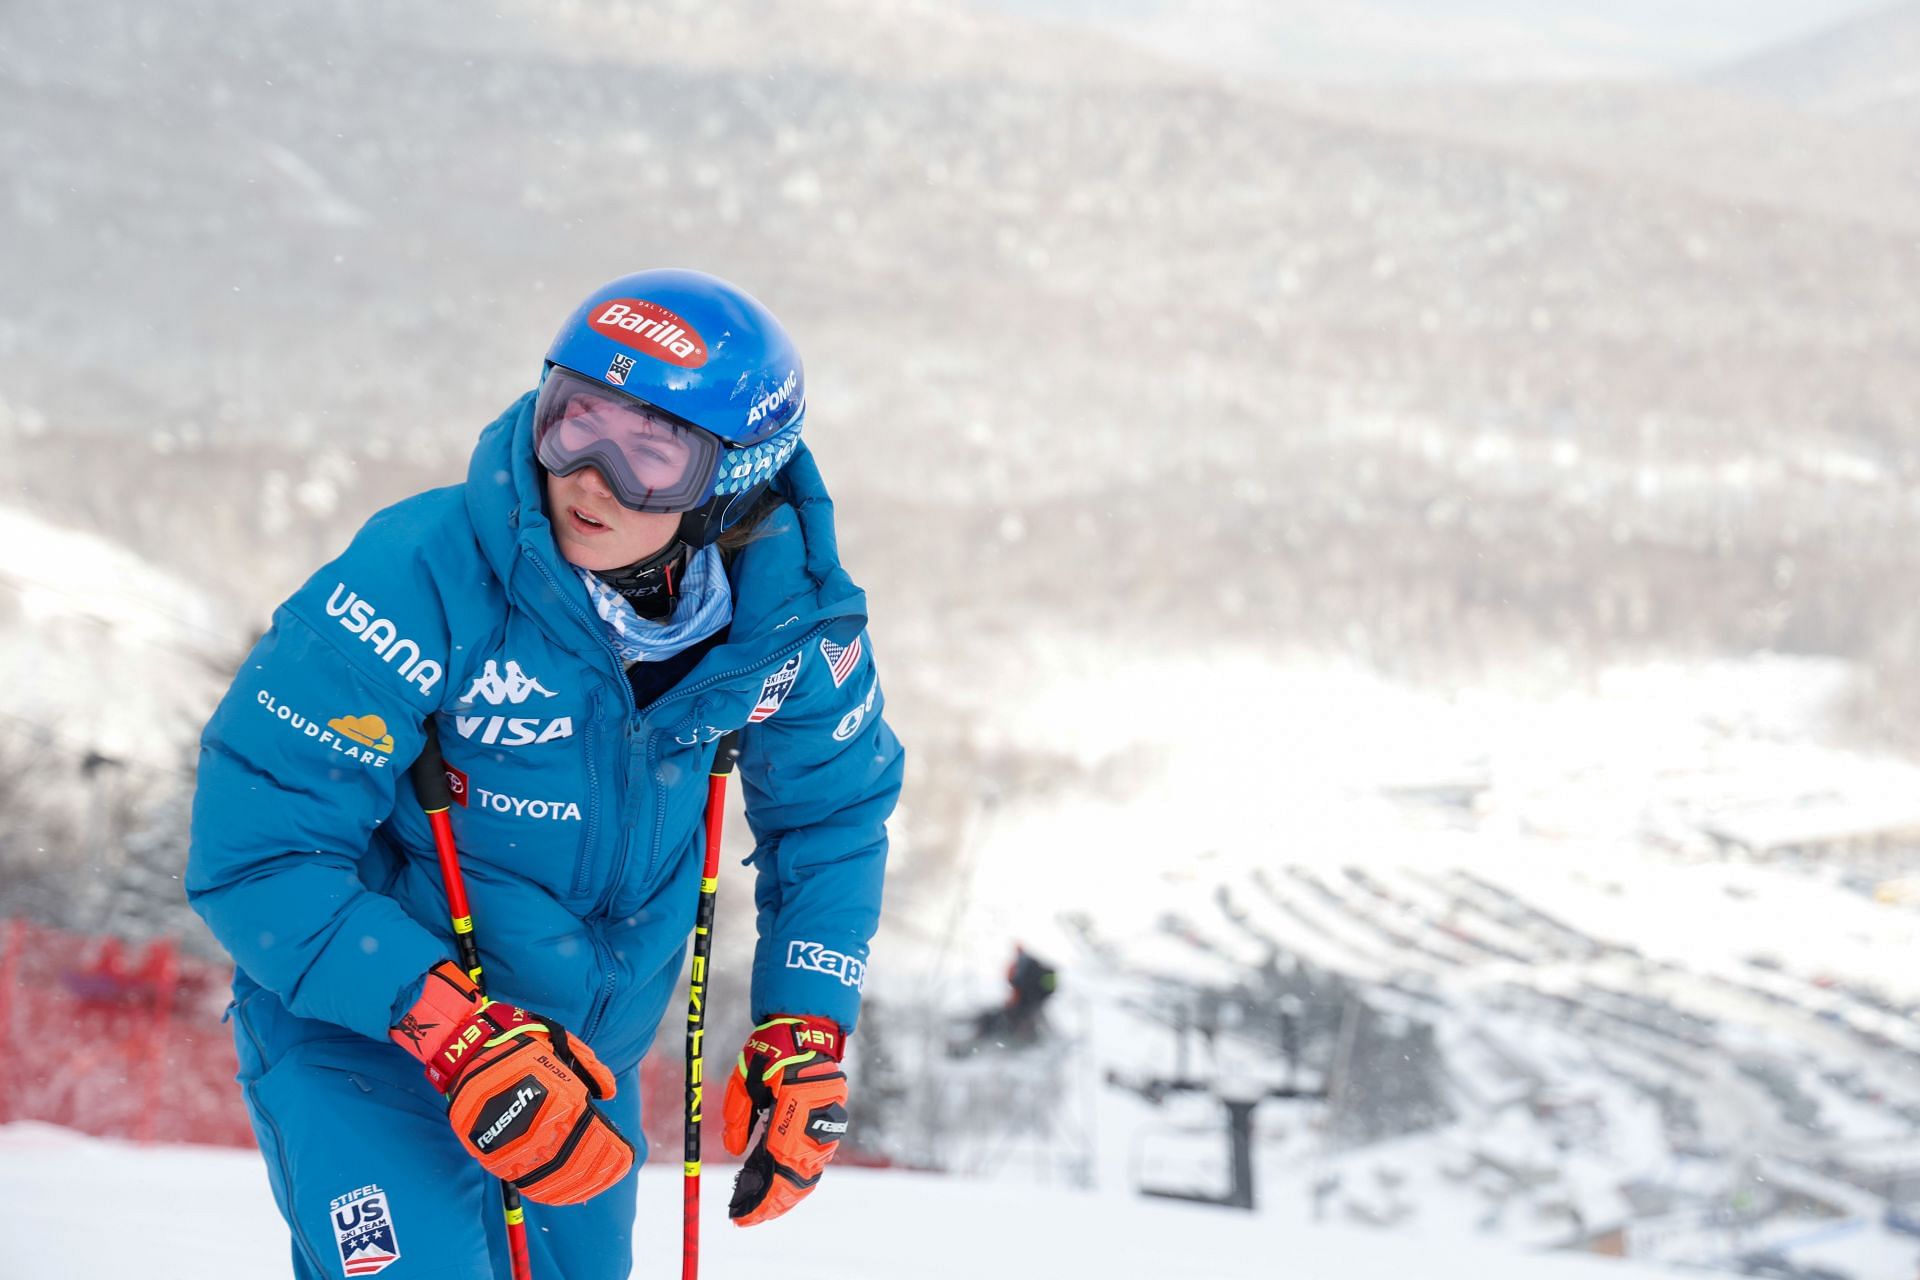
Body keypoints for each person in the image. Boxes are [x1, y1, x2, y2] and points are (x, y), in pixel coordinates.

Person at [186, 269, 904, 1280]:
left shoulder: (786, 623)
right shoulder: (423, 574)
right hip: (371, 1037)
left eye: (652, 446)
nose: (592, 474)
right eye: (575, 419)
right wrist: (450, 1031)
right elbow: (256, 846)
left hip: (575, 1068)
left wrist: (805, 1022)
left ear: (737, 474)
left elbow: (832, 815)